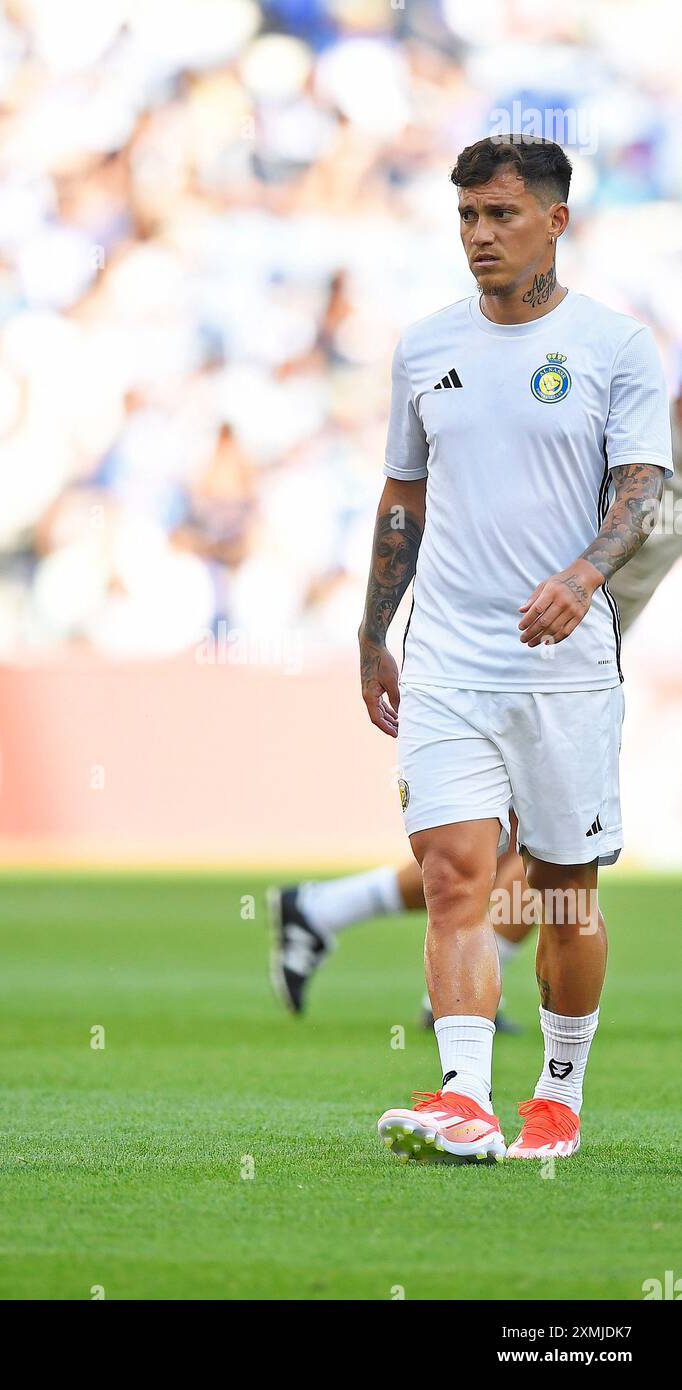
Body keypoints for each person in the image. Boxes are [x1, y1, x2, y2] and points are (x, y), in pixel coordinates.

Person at [354, 134, 671, 1163]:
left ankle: (558, 1096)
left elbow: (641, 492)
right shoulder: (422, 346)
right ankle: (462, 1097)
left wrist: (582, 578)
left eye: (499, 215)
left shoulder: (615, 347)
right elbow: (403, 498)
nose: (479, 236)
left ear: (553, 221)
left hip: (562, 670)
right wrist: (371, 630)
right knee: (455, 877)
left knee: (561, 895)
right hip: (445, 657)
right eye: (465, 218)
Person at [268, 388, 682, 1030]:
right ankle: (435, 987)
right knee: (524, 853)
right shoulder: (627, 441)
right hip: (522, 644)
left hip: (581, 660)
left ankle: (330, 914)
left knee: (518, 851)